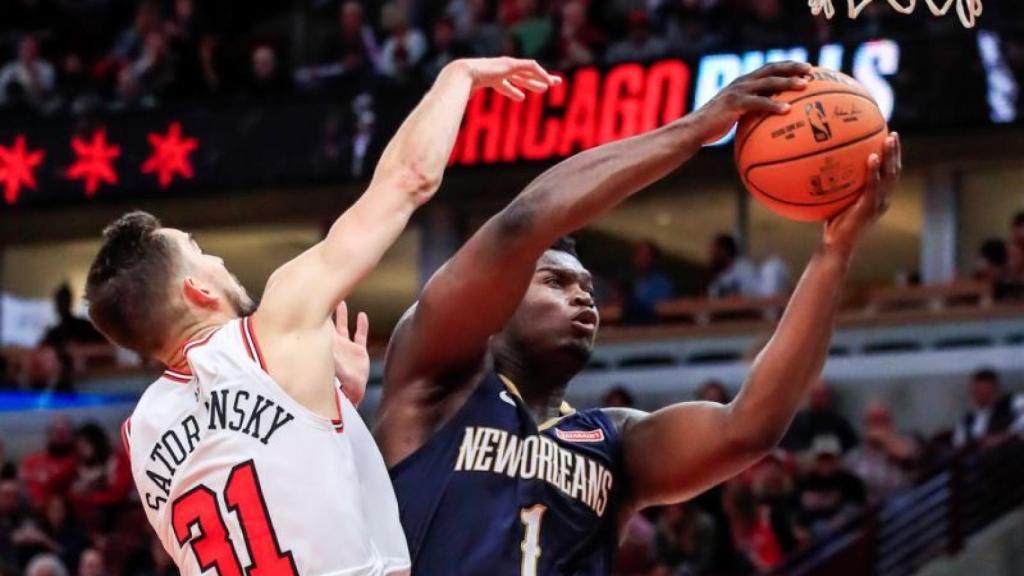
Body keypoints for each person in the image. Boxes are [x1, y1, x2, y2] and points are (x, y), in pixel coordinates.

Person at [377, 61, 901, 574]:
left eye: (587, 288)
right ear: (501, 296)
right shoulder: (437, 383)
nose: (583, 298)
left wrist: (834, 253)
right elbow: (522, 226)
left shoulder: (614, 442)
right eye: (556, 282)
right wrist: (696, 128)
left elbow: (749, 428)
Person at [83, 58, 559, 575]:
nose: (218, 260)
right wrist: (458, 76)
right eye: (200, 252)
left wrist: (332, 405)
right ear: (197, 289)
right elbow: (408, 180)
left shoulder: (142, 435)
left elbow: (260, 510)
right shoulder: (271, 329)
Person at [843, 401, 920, 503]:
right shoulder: (855, 454)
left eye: (882, 420)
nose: (878, 426)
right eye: (873, 421)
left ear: (890, 422)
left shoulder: (906, 442)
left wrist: (886, 441)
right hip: (868, 508)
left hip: (900, 502)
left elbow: (908, 458)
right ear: (865, 424)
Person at [793, 436, 867, 539]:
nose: (826, 463)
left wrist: (843, 517)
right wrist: (800, 527)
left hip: (846, 531)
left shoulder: (851, 481)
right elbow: (798, 510)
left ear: (838, 458)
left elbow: (859, 504)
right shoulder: (805, 483)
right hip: (813, 535)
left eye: (830, 459)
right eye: (823, 459)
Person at [780, 382, 860, 455]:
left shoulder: (839, 422)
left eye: (823, 396)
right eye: (817, 395)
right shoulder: (797, 421)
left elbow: (851, 446)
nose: (819, 399)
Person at [952, 368, 1024, 448]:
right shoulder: (968, 421)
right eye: (976, 391)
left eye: (984, 390)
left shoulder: (1014, 402)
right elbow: (959, 445)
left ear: (995, 388)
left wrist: (1004, 437)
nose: (979, 395)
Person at [19, 417, 78, 511]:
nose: (60, 437)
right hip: (29, 511)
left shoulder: (76, 462)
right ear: (49, 435)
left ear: (72, 436)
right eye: (57, 432)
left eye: (64, 433)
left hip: (61, 514)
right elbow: (21, 485)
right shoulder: (31, 461)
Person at [622, 241, 675, 325]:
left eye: (646, 255)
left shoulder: (661, 284)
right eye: (639, 255)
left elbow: (662, 307)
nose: (642, 259)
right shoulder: (626, 280)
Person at [707, 233, 760, 299]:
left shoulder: (744, 268)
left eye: (715, 252)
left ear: (725, 251)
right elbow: (712, 301)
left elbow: (754, 294)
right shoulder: (717, 278)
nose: (712, 256)